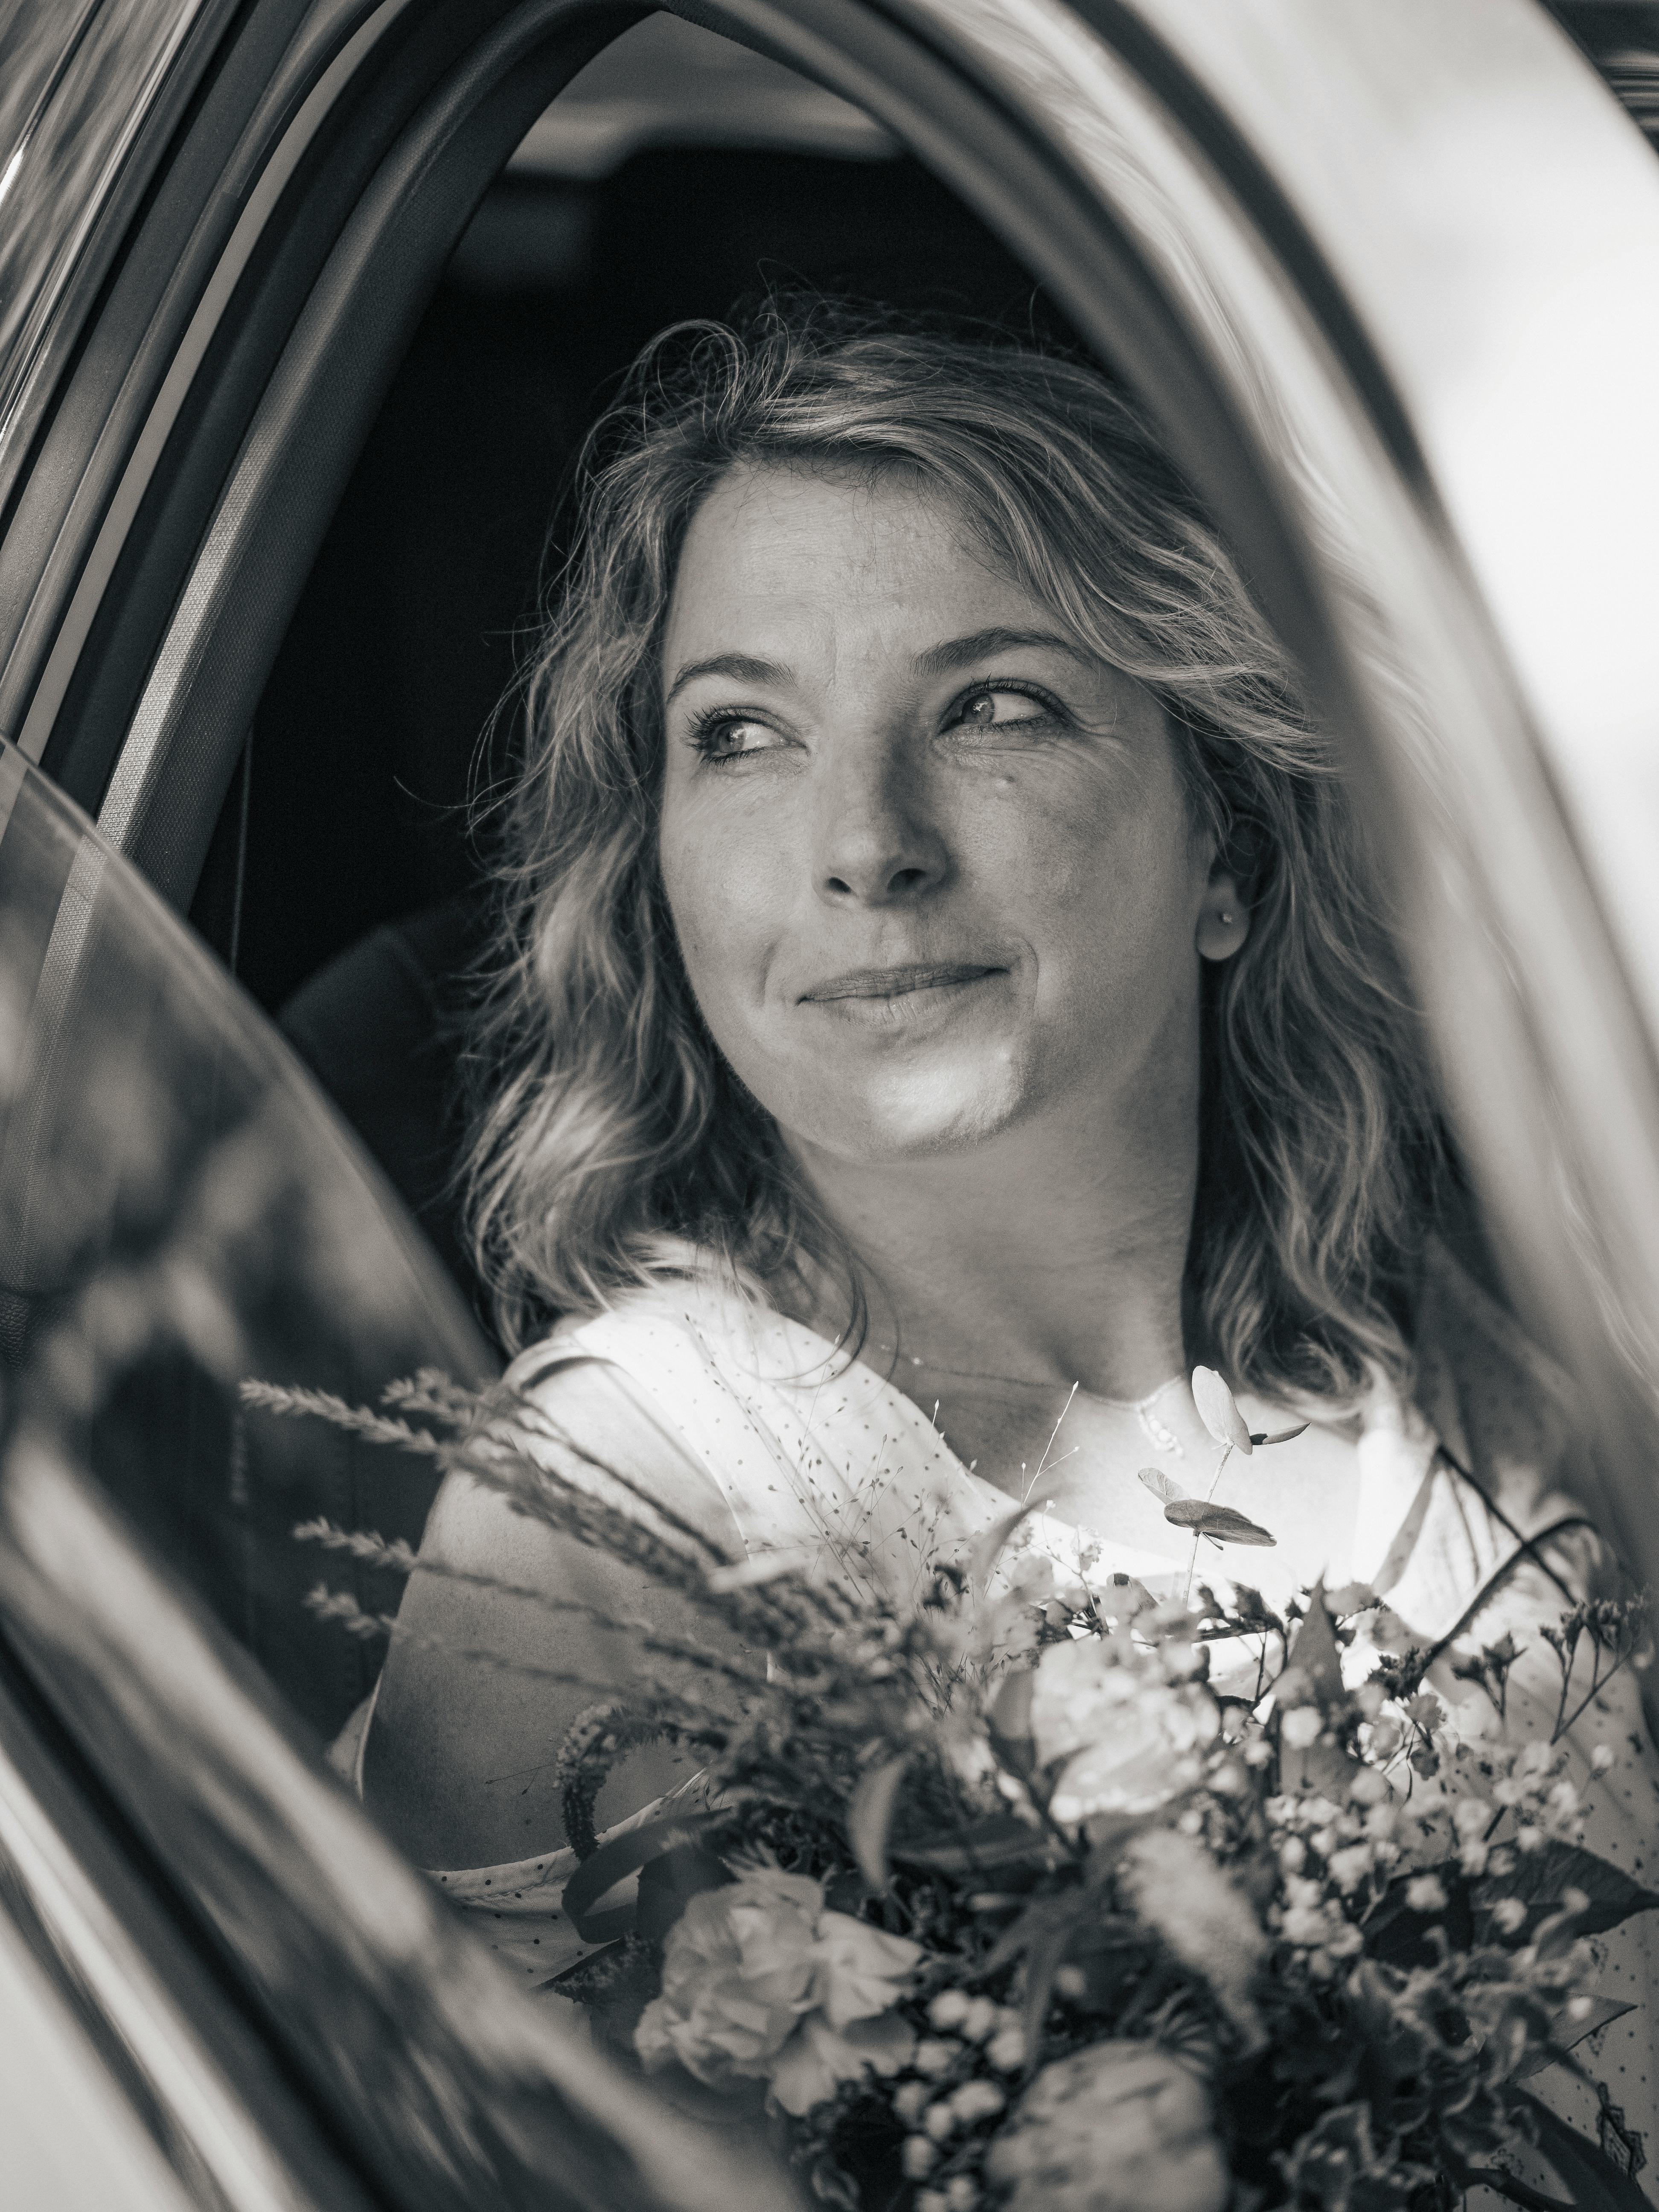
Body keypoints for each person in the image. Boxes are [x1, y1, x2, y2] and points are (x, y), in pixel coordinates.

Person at [336, 304, 1658, 2172]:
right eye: (743, 736)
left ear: (1228, 848)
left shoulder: (1479, 1372)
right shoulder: (614, 1516)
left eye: (992, 707)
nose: (863, 843)